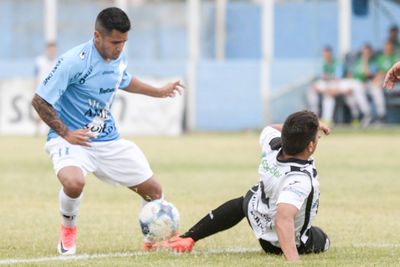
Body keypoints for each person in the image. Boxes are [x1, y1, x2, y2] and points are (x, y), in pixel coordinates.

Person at [31, 7, 184, 255]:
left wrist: (159, 91)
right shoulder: (73, 62)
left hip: (108, 140)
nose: (120, 48)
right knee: (73, 183)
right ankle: (68, 232)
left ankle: (153, 236)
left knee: (154, 191)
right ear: (97, 36)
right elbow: (39, 101)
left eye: (124, 42)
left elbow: (124, 79)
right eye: (115, 42)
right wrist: (67, 133)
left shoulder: (118, 56)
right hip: (71, 139)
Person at [156, 110, 331, 262]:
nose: (319, 137)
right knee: (323, 239)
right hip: (279, 242)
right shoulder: (299, 179)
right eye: (317, 136)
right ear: (310, 146)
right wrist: (294, 260)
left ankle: (189, 238)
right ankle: (300, 246)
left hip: (258, 214)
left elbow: (270, 128)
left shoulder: (272, 146)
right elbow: (283, 219)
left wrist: (303, 127)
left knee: (244, 201)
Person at [371, 41, 399, 123]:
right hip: (383, 82)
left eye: (390, 48)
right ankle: (381, 116)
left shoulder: (396, 58)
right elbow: (375, 72)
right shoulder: (380, 58)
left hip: (395, 81)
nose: (388, 49)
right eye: (386, 48)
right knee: (375, 88)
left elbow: (395, 72)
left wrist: (384, 74)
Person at [33, 42, 57, 136]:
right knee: (39, 111)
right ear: (47, 49)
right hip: (41, 90)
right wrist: (35, 89)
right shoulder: (40, 61)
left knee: (51, 111)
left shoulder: (57, 61)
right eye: (50, 49)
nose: (52, 51)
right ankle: (37, 130)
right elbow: (36, 76)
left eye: (53, 49)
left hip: (52, 90)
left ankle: (48, 131)